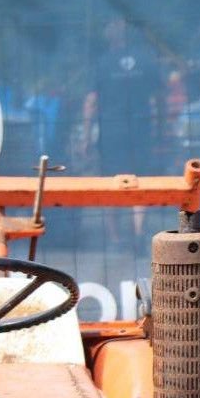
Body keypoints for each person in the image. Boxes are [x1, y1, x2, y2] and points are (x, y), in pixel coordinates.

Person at [81, 16, 164, 240]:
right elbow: (159, 99)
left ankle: (115, 238)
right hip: (140, 129)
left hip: (111, 132)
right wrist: (162, 127)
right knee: (140, 178)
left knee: (111, 181)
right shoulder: (147, 60)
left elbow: (91, 102)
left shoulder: (102, 63)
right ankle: (138, 231)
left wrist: (86, 137)